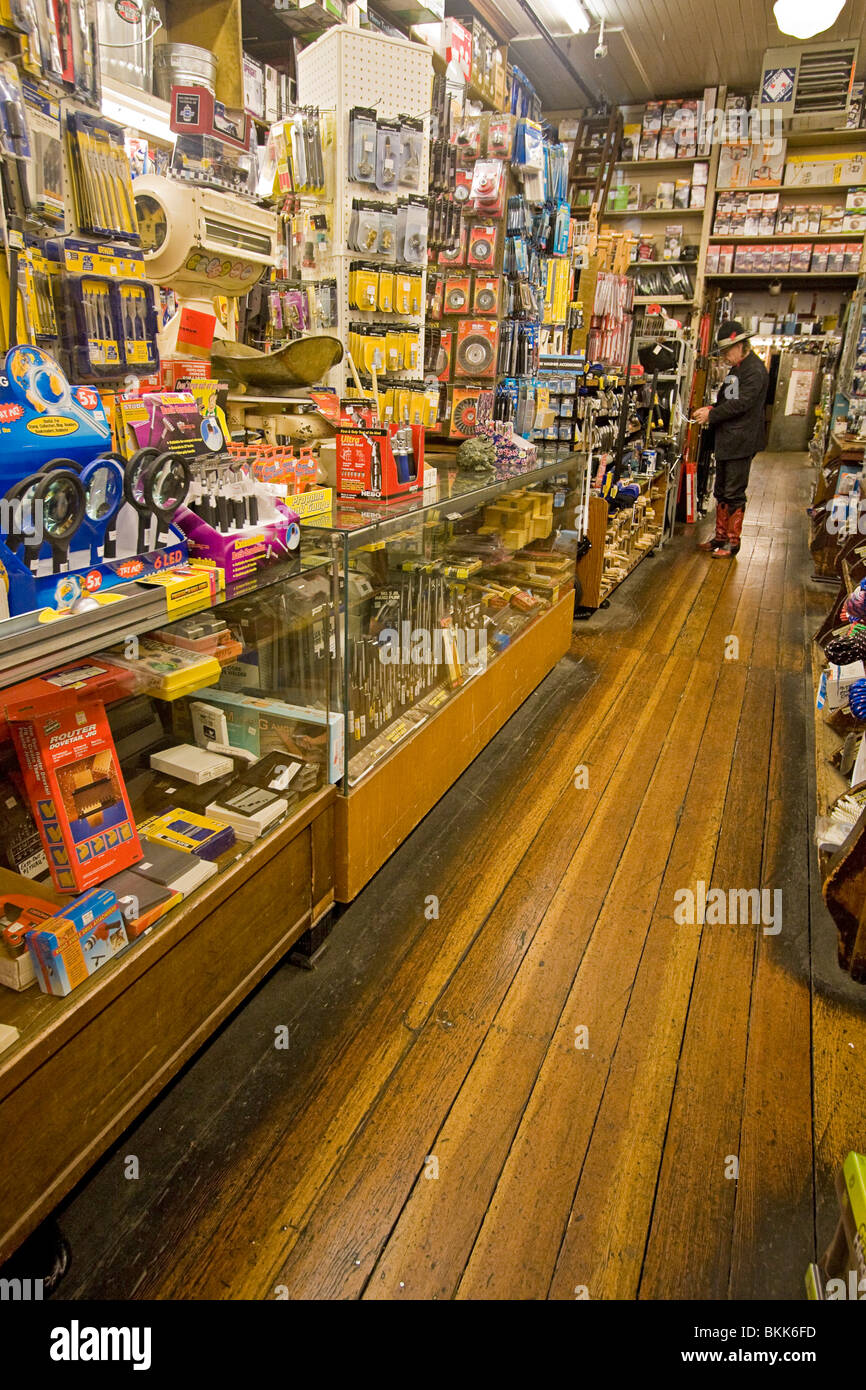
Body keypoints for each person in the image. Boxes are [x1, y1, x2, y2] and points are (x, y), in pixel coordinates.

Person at [693, 319, 769, 558]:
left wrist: (713, 413)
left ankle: (732, 543)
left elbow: (742, 404)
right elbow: (728, 401)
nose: (725, 356)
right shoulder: (737, 370)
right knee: (721, 490)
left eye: (727, 351)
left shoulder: (754, 370)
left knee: (734, 491)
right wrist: (712, 408)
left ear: (741, 345)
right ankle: (720, 536)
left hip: (741, 440)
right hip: (727, 439)